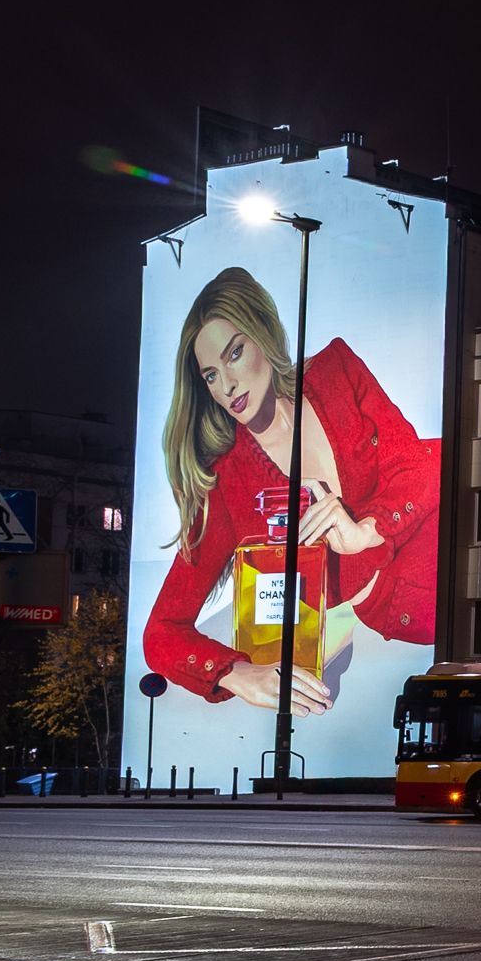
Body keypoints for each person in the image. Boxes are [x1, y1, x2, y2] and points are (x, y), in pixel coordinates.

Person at [143, 266, 440, 710]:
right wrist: (235, 673)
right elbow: (162, 632)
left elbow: (418, 461)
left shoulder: (336, 371)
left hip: (464, 543)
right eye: (209, 375)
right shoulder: (227, 484)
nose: (227, 385)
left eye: (235, 353)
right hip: (415, 624)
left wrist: (367, 530)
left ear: (263, 335)